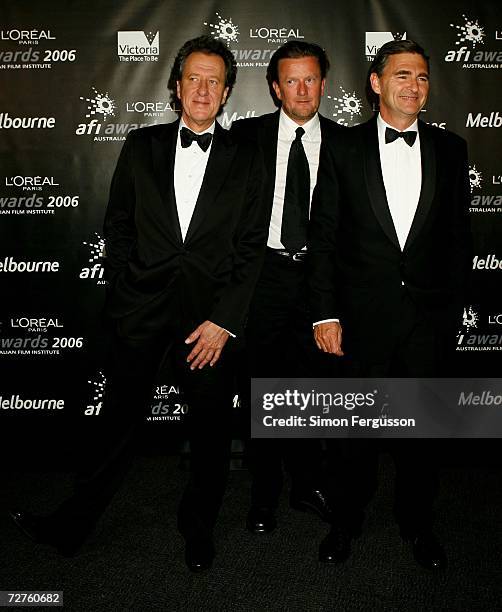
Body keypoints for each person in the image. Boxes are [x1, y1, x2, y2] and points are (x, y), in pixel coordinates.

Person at [10, 35, 268, 572]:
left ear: (226, 94)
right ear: (176, 88)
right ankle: (71, 524)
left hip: (210, 324)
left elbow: (250, 247)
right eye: (193, 78)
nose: (202, 89)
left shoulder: (248, 158)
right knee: (114, 429)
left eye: (213, 81)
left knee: (211, 434)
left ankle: (198, 528)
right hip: (142, 314)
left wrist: (224, 320)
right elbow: (119, 225)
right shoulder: (140, 144)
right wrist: (128, 293)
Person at [308, 40, 470, 569]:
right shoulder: (342, 148)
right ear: (375, 83)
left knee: (422, 437)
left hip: (426, 321)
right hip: (360, 321)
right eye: (402, 75)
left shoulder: (452, 149)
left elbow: (458, 238)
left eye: (422, 77)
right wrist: (325, 312)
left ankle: (418, 524)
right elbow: (325, 236)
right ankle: (346, 524)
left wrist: (448, 310)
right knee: (353, 437)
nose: (414, 87)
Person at [231, 41, 342, 534]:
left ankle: (307, 482)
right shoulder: (245, 136)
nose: (301, 90)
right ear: (275, 87)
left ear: (323, 83)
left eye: (311, 79)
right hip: (263, 278)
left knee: (312, 389)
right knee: (261, 390)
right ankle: (263, 492)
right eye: (291, 80)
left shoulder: (346, 142)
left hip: (321, 281)